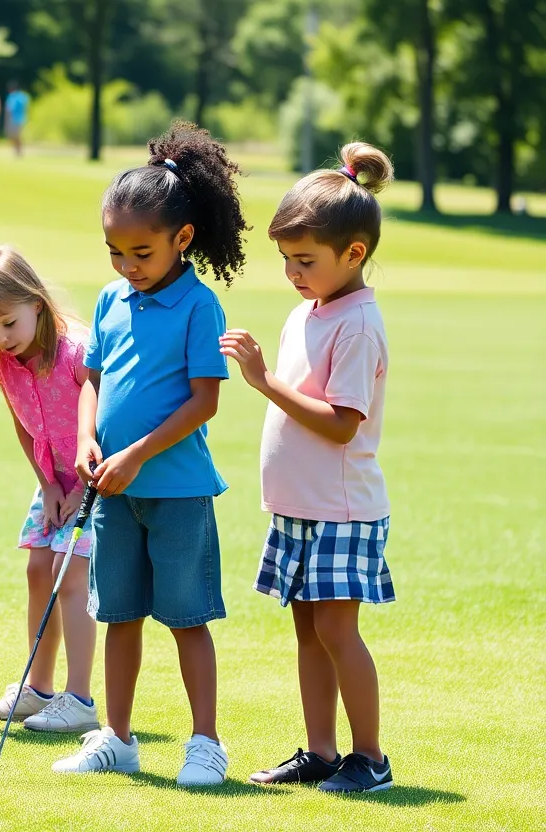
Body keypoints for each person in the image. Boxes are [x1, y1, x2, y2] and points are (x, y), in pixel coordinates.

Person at [57, 120, 248, 784]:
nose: (127, 266)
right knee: (119, 615)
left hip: (176, 490)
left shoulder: (200, 307)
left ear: (182, 239)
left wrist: (135, 453)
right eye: (114, 252)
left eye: (141, 252)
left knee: (186, 617)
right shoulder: (111, 300)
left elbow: (204, 402)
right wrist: (86, 438)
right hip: (114, 490)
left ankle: (205, 743)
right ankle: (117, 736)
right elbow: (92, 379)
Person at [221, 143, 397, 794]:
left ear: (353, 253)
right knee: (306, 626)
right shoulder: (310, 311)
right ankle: (321, 752)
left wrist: (262, 381)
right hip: (300, 504)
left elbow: (339, 421)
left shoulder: (357, 323)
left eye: (306, 260)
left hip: (342, 508)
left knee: (335, 627)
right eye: (287, 260)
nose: (294, 273)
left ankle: (369, 758)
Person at [0, 246, 100, 735]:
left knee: (71, 578)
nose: (1, 339)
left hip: (93, 480)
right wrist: (46, 485)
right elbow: (26, 427)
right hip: (53, 482)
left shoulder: (77, 351)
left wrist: (76, 486)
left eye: (8, 324)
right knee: (38, 569)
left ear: (36, 303)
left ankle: (79, 697)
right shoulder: (7, 362)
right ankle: (39, 689)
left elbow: (102, 417)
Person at [4, 82, 30, 157]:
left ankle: (17, 151)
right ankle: (18, 150)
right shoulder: (23, 96)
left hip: (14, 119)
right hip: (22, 118)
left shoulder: (12, 97)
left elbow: (9, 110)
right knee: (17, 135)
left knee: (14, 136)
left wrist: (6, 121)